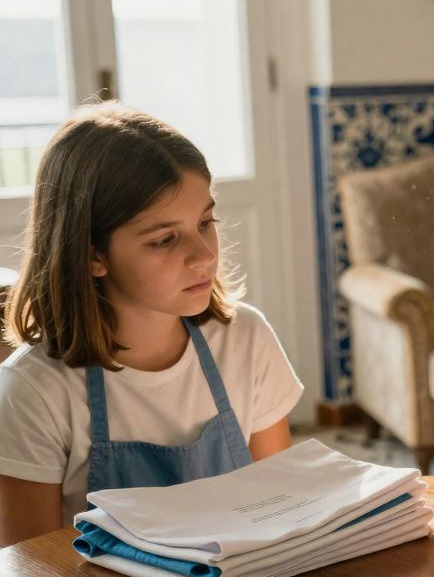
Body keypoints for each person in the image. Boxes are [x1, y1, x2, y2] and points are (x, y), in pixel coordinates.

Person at [0, 102, 303, 548]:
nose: (203, 255)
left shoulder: (246, 340)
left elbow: (284, 511)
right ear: (93, 255)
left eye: (205, 222)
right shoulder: (35, 391)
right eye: (164, 239)